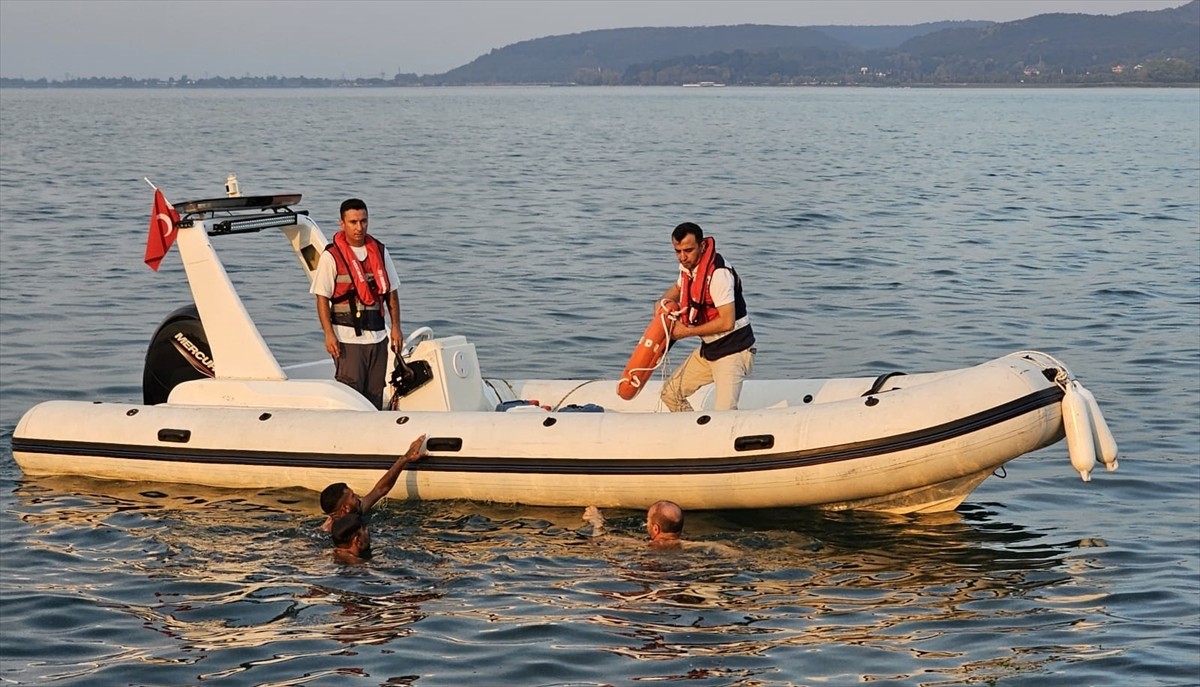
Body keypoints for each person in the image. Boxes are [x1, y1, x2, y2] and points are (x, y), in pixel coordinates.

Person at [311, 198, 404, 409]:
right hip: (347, 339)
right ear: (342, 223)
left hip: (378, 338)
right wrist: (328, 333)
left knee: (374, 394)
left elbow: (391, 293)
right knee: (351, 396)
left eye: (363, 221)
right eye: (353, 222)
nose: (359, 227)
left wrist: (396, 328)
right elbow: (321, 298)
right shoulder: (331, 256)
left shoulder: (380, 252)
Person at [658, 222, 756, 412]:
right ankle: (693, 433)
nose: (682, 257)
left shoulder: (719, 274)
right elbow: (678, 288)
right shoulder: (689, 268)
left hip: (733, 351)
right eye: (677, 251)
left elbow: (727, 322)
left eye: (688, 250)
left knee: (724, 415)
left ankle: (722, 437)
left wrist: (686, 332)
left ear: (702, 246)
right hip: (710, 349)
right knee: (670, 393)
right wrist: (661, 302)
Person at [320, 434, 428, 540]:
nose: (358, 497)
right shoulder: (332, 533)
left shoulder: (354, 511)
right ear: (345, 508)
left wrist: (405, 458)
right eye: (353, 496)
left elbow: (381, 489)